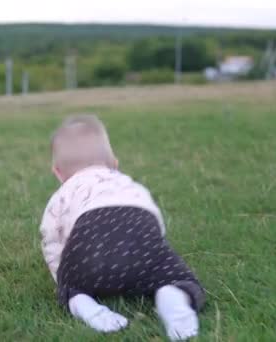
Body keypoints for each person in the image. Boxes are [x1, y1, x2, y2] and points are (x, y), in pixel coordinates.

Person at [39, 114, 205, 340]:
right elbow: (153, 218)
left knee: (71, 289)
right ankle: (171, 294)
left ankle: (81, 302)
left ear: (58, 173)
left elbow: (52, 240)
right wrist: (155, 254)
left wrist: (65, 279)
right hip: (142, 243)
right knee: (178, 277)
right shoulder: (127, 182)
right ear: (114, 164)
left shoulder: (62, 194)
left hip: (89, 253)